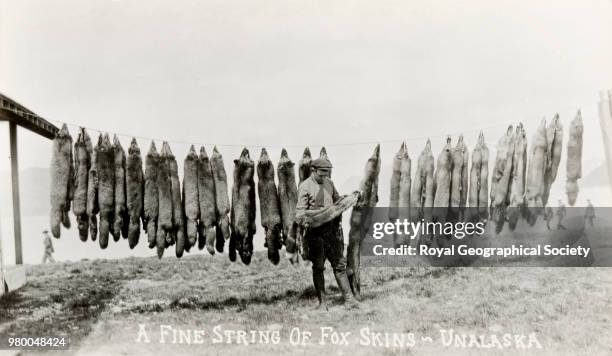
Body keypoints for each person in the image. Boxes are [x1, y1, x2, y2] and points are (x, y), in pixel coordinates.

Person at [296, 157, 358, 310]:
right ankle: (322, 303)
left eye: (327, 173)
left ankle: (349, 300)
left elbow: (337, 201)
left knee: (339, 265)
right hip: (315, 234)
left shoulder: (330, 183)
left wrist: (347, 199)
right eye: (321, 173)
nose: (324, 176)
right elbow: (299, 213)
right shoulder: (305, 187)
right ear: (313, 170)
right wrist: (320, 214)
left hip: (332, 232)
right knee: (318, 267)